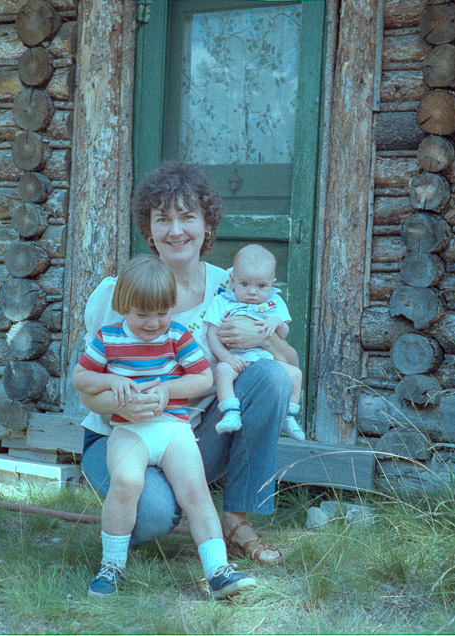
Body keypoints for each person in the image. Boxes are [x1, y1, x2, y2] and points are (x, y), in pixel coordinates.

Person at [78, 161, 295, 568]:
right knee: (153, 518)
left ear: (207, 225)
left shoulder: (233, 286)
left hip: (193, 438)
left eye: (187, 217)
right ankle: (145, 502)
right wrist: (118, 403)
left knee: (270, 375)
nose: (176, 230)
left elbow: (290, 364)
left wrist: (262, 337)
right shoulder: (118, 291)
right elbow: (86, 389)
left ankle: (235, 518)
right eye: (163, 219)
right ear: (149, 229)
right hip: (120, 434)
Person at [72, 255, 255, 599]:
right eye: (143, 314)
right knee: (126, 482)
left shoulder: (178, 335)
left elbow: (202, 376)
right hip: (128, 431)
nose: (154, 323)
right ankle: (111, 566)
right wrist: (111, 381)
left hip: (173, 428)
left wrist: (168, 389)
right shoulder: (108, 338)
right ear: (124, 306)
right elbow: (80, 377)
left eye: (162, 312)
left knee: (195, 492)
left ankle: (218, 571)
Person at [203, 244, 305, 441]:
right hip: (238, 359)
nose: (252, 292)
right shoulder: (223, 302)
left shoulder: (274, 304)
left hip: (264, 359)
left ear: (271, 284)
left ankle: (289, 417)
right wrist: (226, 357)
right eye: (244, 284)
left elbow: (283, 333)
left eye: (261, 286)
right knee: (223, 371)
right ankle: (230, 412)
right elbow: (212, 334)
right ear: (232, 281)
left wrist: (276, 322)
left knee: (296, 374)